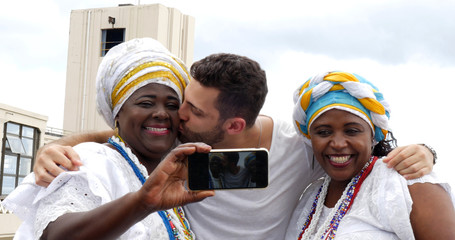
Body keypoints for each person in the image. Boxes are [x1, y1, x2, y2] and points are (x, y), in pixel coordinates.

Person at [33, 54, 436, 239]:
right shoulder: (180, 140)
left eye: (190, 109)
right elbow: (124, 133)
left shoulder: (299, 147)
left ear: (234, 124)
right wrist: (64, 143)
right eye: (182, 103)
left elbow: (349, 143)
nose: (178, 117)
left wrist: (425, 151)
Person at [3, 38, 214, 240]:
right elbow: (55, 235)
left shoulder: (180, 163)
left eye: (172, 105)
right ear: (117, 114)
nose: (161, 113)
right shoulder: (91, 160)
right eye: (146, 103)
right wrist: (141, 203)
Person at [286, 71, 455, 239]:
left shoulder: (408, 181)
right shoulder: (310, 197)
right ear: (310, 138)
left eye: (351, 131)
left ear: (373, 135)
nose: (338, 144)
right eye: (323, 132)